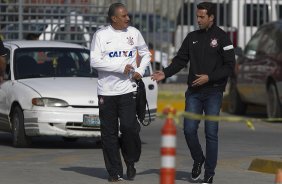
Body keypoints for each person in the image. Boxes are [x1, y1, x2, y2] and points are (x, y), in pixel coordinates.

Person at [151, 2, 235, 184]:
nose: (198, 20)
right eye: (197, 16)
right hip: (194, 93)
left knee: (211, 133)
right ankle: (198, 159)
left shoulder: (223, 38)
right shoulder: (191, 37)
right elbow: (180, 60)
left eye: (202, 17)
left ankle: (209, 173)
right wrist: (165, 73)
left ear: (211, 17)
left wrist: (209, 77)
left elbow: (230, 66)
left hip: (214, 92)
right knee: (189, 129)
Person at [90, 2, 151, 182]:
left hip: (128, 90)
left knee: (129, 128)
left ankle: (130, 161)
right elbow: (94, 61)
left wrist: (140, 70)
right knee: (108, 133)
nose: (128, 19)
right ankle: (114, 172)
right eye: (124, 16)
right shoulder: (101, 35)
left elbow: (145, 53)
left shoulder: (134, 33)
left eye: (128, 15)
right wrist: (119, 67)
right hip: (106, 92)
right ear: (113, 18)